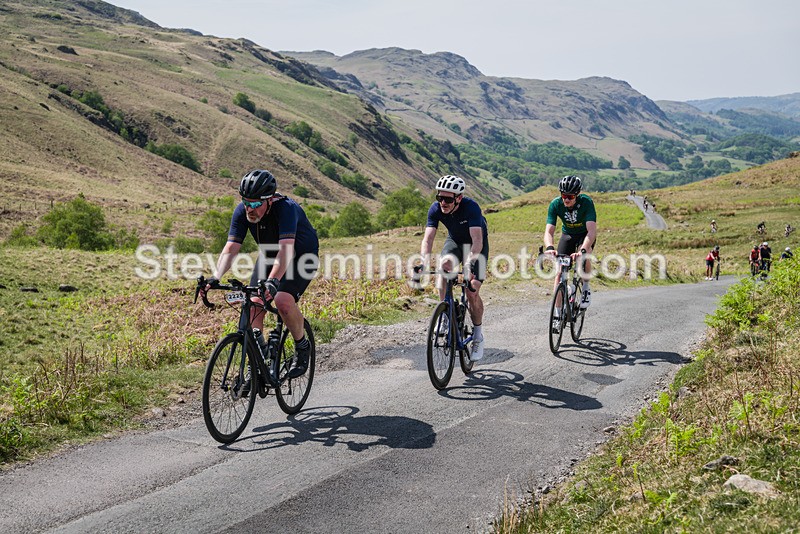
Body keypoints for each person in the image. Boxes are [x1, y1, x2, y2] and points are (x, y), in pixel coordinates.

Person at [201, 169, 319, 378]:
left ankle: (302, 347)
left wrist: (273, 281)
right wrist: (215, 277)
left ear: (270, 200)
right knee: (254, 302)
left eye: (255, 204)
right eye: (246, 202)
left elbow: (286, 251)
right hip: (270, 256)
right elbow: (231, 247)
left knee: (282, 301)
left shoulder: (286, 209)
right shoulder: (242, 211)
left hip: (301, 257)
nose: (249, 208)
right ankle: (256, 361)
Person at [420, 175, 488, 361]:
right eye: (440, 198)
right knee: (444, 265)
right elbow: (428, 239)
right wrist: (424, 261)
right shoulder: (435, 209)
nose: (443, 202)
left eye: (448, 199)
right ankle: (445, 313)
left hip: (476, 246)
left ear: (458, 198)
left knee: (471, 290)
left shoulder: (471, 207)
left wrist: (469, 265)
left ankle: (477, 335)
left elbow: (477, 241)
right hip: (455, 241)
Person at [544, 175, 597, 333]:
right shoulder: (556, 204)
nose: (566, 199)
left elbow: (592, 231)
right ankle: (557, 314)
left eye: (570, 196)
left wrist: (581, 250)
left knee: (586, 254)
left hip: (584, 235)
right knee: (559, 273)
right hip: (567, 235)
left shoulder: (586, 203)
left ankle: (586, 288)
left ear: (577, 195)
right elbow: (549, 230)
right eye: (563, 195)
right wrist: (549, 247)